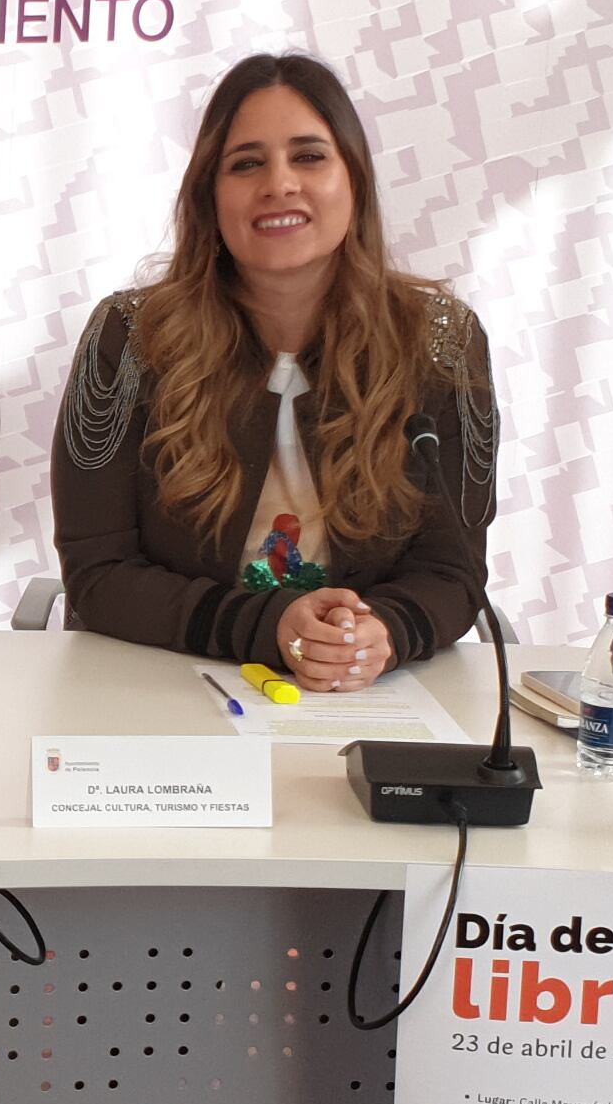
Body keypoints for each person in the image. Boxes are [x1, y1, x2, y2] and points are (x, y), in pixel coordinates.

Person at [49, 53, 495, 689]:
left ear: (355, 180)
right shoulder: (129, 337)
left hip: (362, 694)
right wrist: (271, 627)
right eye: (246, 163)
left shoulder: (441, 342)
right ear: (209, 193)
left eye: (310, 156)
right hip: (169, 681)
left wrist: (381, 635)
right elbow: (98, 573)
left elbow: (453, 574)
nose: (279, 184)